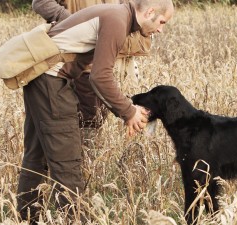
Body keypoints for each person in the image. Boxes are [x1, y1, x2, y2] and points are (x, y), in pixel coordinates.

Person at [16, 0, 174, 223]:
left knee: (36, 154)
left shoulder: (117, 14)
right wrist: (128, 112)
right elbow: (100, 76)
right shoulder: (118, 20)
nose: (160, 29)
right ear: (149, 12)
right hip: (51, 81)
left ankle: (27, 218)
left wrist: (125, 110)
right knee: (67, 161)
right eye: (162, 22)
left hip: (41, 79)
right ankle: (74, 219)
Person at [32, 0, 152, 148]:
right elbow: (41, 2)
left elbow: (139, 8)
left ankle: (92, 166)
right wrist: (77, 23)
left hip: (114, 60)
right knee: (84, 121)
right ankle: (81, 166)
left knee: (99, 121)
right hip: (78, 62)